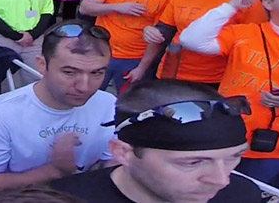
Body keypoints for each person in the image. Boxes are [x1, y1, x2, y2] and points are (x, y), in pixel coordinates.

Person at [0, 22, 116, 201]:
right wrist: (53, 171)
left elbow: (109, 164)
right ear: (41, 64)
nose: (84, 86)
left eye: (97, 73)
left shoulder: (109, 105)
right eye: (69, 72)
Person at [50, 79, 262, 202]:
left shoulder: (242, 195)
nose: (221, 180)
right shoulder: (56, 200)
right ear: (123, 153)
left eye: (234, 157)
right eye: (193, 162)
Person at [180, 0, 279, 189]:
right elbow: (191, 39)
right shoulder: (246, 33)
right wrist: (229, 7)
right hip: (231, 139)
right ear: (267, 3)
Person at [136, 0, 267, 88]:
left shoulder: (243, 1)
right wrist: (151, 31)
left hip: (216, 79)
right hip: (172, 73)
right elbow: (166, 29)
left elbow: (256, 47)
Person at [79, 0, 175, 92]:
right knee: (86, 96)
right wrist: (117, 7)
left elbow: (157, 39)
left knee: (126, 106)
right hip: (100, 50)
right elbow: (85, 8)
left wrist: (142, 68)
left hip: (134, 58)